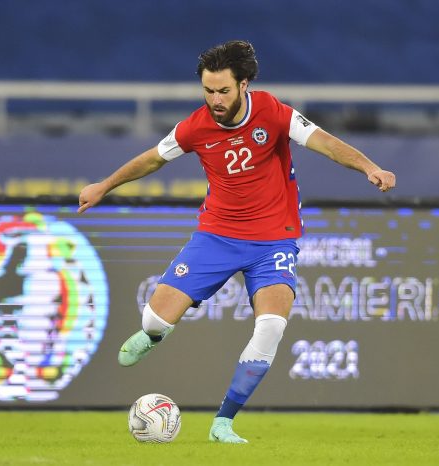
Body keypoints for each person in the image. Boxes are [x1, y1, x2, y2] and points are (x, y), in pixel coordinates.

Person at [77, 40, 396, 443]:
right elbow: (153, 158)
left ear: (243, 84)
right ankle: (157, 334)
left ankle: (223, 422)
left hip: (274, 240)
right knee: (153, 319)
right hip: (217, 236)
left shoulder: (274, 113)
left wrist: (370, 167)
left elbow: (327, 144)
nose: (215, 99)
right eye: (208, 91)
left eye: (223, 90)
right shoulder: (195, 127)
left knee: (270, 328)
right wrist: (105, 186)